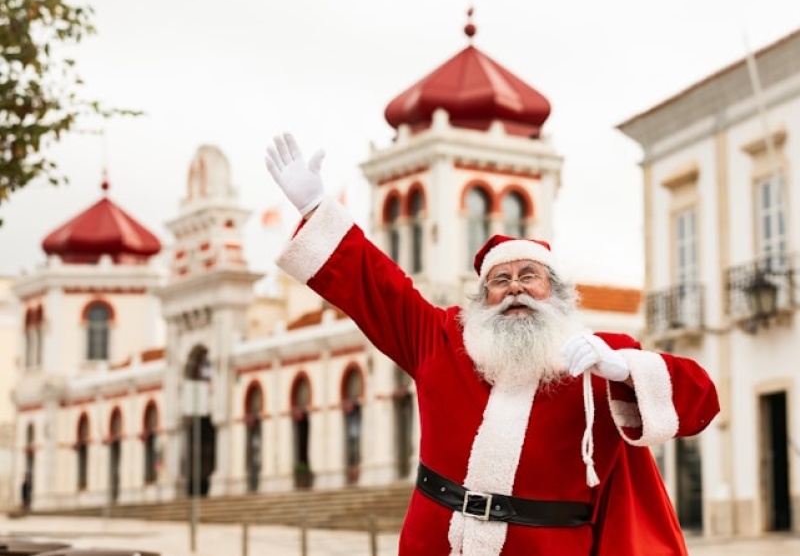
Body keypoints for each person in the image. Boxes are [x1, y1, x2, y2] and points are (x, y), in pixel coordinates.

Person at [265, 133, 720, 556]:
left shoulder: (599, 356)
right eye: (500, 280)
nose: (515, 288)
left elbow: (701, 398)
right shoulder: (441, 339)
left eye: (529, 276)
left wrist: (624, 370)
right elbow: (377, 286)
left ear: (557, 292)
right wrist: (316, 206)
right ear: (482, 299)